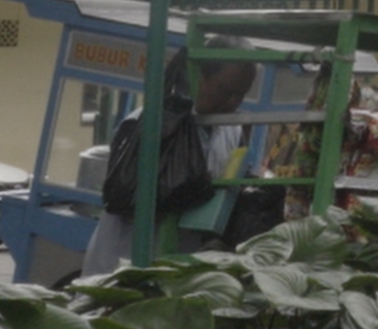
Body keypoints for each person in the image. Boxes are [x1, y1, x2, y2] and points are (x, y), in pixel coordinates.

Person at [81, 60, 259, 277]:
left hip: (183, 265)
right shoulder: (147, 122)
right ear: (200, 77)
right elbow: (121, 196)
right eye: (224, 91)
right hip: (125, 259)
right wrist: (181, 194)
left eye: (241, 95)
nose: (232, 102)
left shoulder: (232, 131)